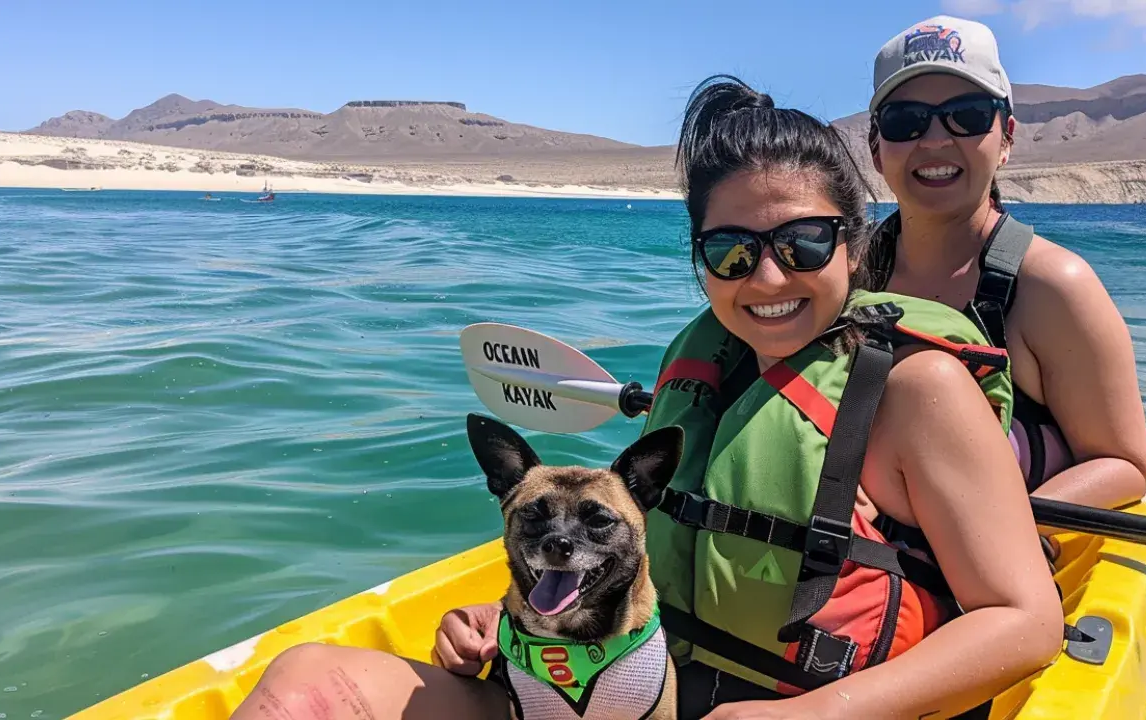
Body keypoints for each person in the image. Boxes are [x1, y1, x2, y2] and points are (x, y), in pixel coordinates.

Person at [229, 76, 1062, 720]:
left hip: (802, 703)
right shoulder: (698, 361)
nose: (767, 277)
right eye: (731, 251)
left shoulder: (918, 390)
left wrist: (821, 710)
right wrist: (514, 610)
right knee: (310, 681)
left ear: (852, 240)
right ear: (700, 254)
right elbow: (642, 551)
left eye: (803, 242)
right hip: (629, 688)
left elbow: (1026, 623)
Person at [861, 16, 1146, 549]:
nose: (934, 140)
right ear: (876, 148)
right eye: (906, 121)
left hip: (989, 569)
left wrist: (986, 531)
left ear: (1006, 138)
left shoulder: (1051, 285)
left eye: (966, 117)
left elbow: (1125, 464)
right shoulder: (851, 272)